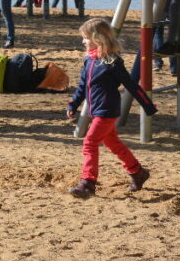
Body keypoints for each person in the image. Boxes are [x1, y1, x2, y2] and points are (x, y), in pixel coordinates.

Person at [66, 18, 157, 197]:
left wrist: (147, 105)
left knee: (90, 142)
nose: (83, 41)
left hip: (107, 111)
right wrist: (73, 104)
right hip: (96, 110)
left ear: (97, 38)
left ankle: (88, 183)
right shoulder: (89, 61)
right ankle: (138, 172)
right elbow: (83, 87)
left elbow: (131, 84)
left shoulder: (113, 62)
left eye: (85, 38)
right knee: (113, 143)